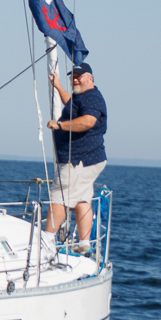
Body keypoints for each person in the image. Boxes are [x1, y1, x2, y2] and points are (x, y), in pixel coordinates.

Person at [45, 62, 107, 247]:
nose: (76, 79)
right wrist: (58, 86)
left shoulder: (92, 97)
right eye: (74, 76)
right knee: (81, 199)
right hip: (87, 159)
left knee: (60, 196)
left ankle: (47, 240)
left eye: (80, 76)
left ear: (91, 78)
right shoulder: (82, 97)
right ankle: (84, 242)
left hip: (79, 159)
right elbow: (70, 104)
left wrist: (60, 125)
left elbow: (88, 121)